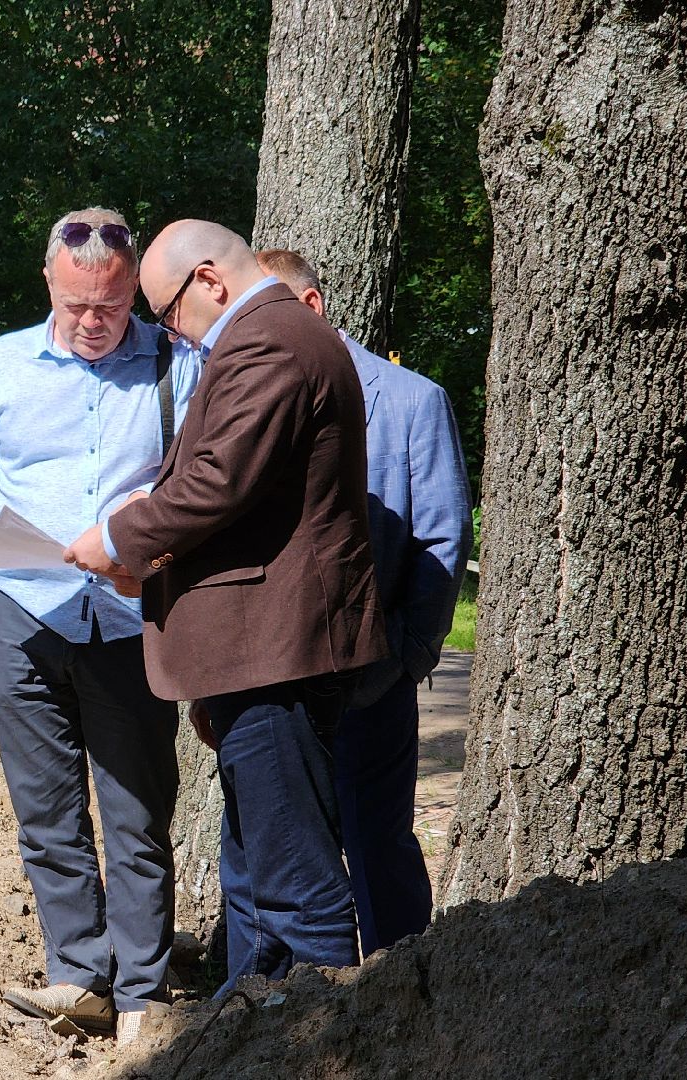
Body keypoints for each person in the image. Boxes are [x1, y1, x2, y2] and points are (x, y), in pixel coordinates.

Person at [0, 207, 203, 1046]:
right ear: (49, 281)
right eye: (76, 307)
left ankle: (143, 997)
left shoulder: (176, 365)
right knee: (46, 811)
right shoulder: (4, 365)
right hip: (21, 611)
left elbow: (205, 482)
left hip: (129, 614)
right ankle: (79, 977)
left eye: (110, 306)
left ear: (133, 289)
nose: (93, 323)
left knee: (138, 809)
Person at [63, 220, 386, 990]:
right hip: (260, 653)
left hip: (274, 657)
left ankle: (320, 1044)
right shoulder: (277, 336)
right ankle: (258, 1036)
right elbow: (238, 490)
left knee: (298, 890)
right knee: (257, 881)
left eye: (169, 313)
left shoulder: (268, 339)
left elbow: (217, 483)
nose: (173, 333)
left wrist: (119, 536)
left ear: (208, 280)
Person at [254, 248, 472, 954]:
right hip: (271, 688)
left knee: (380, 851)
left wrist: (405, 657)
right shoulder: (241, 399)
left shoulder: (410, 401)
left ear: (311, 309)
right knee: (271, 857)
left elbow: (441, 540)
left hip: (372, 681)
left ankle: (398, 995)